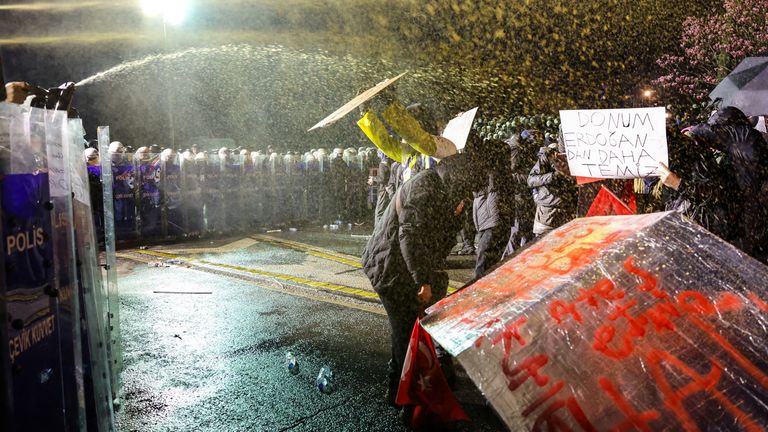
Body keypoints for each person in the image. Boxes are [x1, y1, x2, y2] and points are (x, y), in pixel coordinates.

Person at [362, 153, 479, 406]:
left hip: (402, 267)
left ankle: (401, 390)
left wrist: (455, 216)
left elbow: (440, 238)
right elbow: (410, 235)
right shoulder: (425, 186)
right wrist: (422, 280)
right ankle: (406, 397)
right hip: (389, 267)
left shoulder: (444, 191)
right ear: (454, 176)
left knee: (409, 329)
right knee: (405, 331)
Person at [464, 132, 514, 278]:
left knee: (484, 259)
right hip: (487, 217)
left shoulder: (493, 172)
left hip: (491, 218)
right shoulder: (491, 171)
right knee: (488, 259)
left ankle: (481, 291)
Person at [528, 137, 577, 237]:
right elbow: (531, 180)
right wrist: (553, 176)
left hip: (567, 215)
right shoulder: (548, 157)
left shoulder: (578, 159)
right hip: (547, 215)